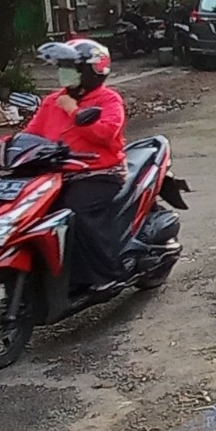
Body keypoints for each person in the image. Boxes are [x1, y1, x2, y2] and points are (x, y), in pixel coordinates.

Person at [22, 38, 128, 291]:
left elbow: (105, 134)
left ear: (91, 72)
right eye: (62, 67)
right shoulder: (53, 101)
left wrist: (74, 111)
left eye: (71, 68)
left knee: (79, 211)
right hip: (56, 173)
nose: (64, 74)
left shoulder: (108, 100)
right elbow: (30, 134)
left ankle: (105, 276)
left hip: (99, 173)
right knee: (27, 214)